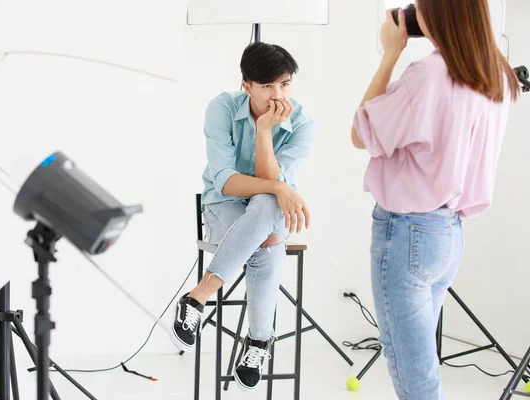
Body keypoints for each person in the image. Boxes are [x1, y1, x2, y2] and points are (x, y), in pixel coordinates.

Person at [351, 0, 520, 399]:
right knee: (422, 366)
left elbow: (361, 134)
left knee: (413, 375)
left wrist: (390, 54)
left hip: (406, 233)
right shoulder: (495, 74)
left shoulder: (428, 74)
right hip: (447, 235)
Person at [169, 41, 315, 392]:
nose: (278, 95)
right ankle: (260, 342)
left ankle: (198, 296)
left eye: (285, 84)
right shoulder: (221, 108)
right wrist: (281, 189)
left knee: (266, 211)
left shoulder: (303, 123)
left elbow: (271, 188)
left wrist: (265, 131)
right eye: (267, 86)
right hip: (224, 208)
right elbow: (226, 182)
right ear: (246, 85)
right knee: (268, 238)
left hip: (269, 214)